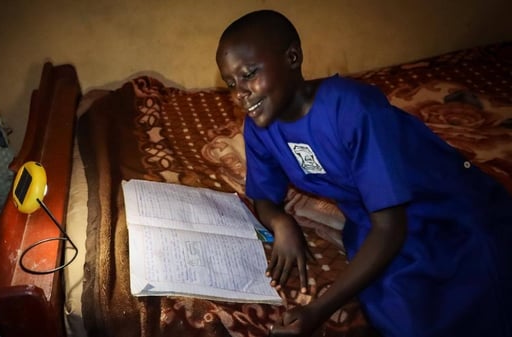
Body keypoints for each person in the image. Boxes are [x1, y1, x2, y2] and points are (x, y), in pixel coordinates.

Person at [215, 9, 512, 337]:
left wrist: (318, 309)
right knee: (395, 305)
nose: (239, 92)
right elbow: (264, 197)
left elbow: (390, 228)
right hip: (373, 216)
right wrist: (282, 224)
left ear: (292, 57)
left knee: (459, 303)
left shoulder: (352, 110)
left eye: (249, 74)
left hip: (444, 208)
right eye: (230, 83)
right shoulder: (260, 125)